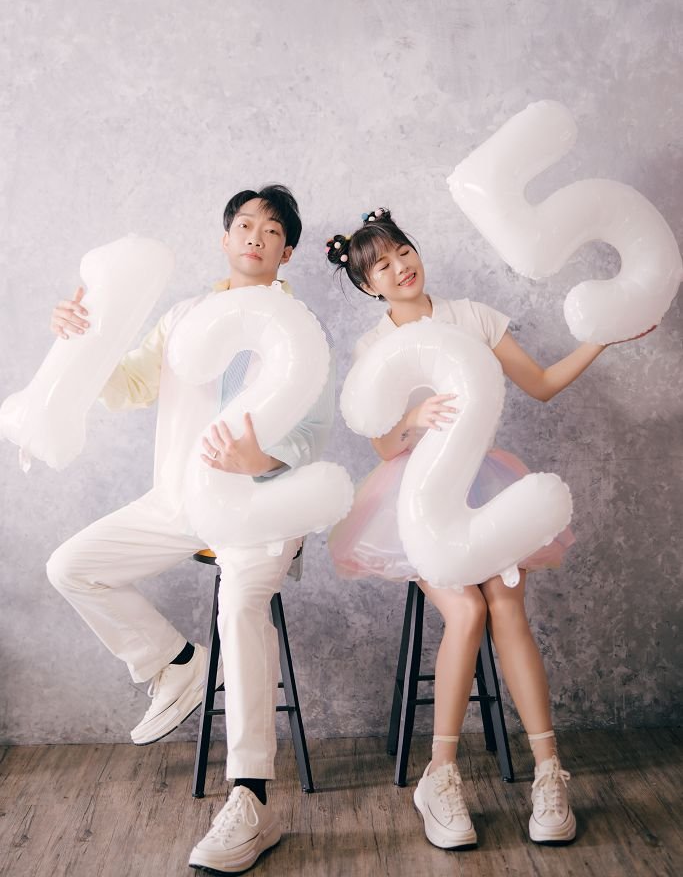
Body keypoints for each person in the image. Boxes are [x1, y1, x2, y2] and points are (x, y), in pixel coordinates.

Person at [326, 207, 650, 850]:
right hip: (416, 500)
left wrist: (603, 340)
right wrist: (414, 419)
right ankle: (440, 776)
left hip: (484, 484)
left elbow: (542, 384)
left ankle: (549, 773)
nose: (400, 267)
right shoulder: (374, 347)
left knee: (505, 602)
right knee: (467, 610)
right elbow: (383, 446)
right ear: (368, 286)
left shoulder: (472, 317)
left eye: (403, 251)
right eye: (382, 266)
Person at [46, 185, 335, 875]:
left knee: (240, 606)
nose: (255, 236)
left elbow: (313, 433)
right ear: (225, 238)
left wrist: (260, 461)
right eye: (244, 224)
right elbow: (126, 386)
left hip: (262, 507)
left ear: (287, 252)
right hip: (178, 503)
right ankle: (177, 664)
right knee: (71, 566)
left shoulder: (299, 328)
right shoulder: (183, 318)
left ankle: (250, 799)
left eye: (272, 230)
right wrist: (79, 342)